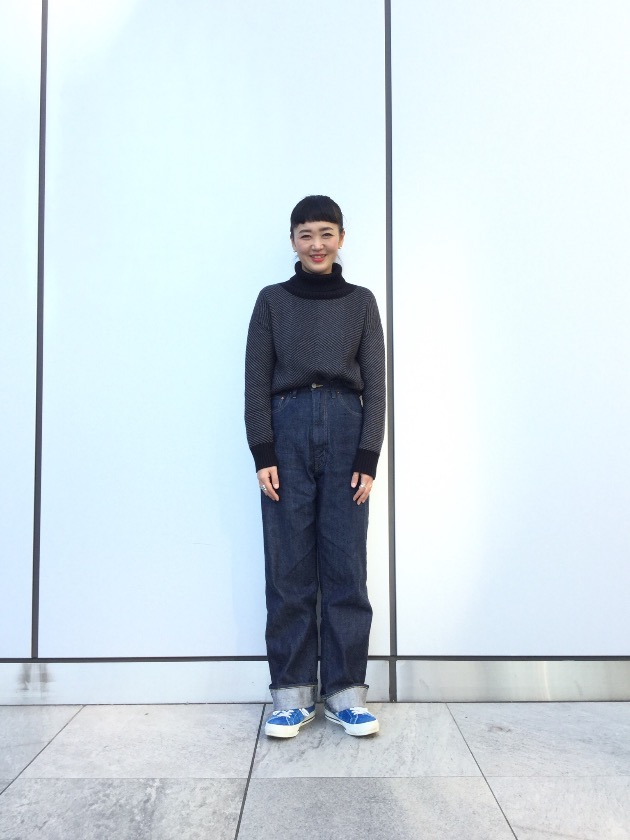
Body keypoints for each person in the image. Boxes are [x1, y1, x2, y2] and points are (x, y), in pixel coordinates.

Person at [244, 195, 386, 738]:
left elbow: (377, 386)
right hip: (287, 430)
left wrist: (369, 455)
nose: (317, 244)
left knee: (346, 564)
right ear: (293, 241)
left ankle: (346, 694)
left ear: (342, 238)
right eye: (306, 234)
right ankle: (292, 695)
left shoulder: (362, 302)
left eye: (326, 233)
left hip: (348, 431)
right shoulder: (272, 301)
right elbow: (256, 381)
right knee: (288, 568)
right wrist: (264, 452)